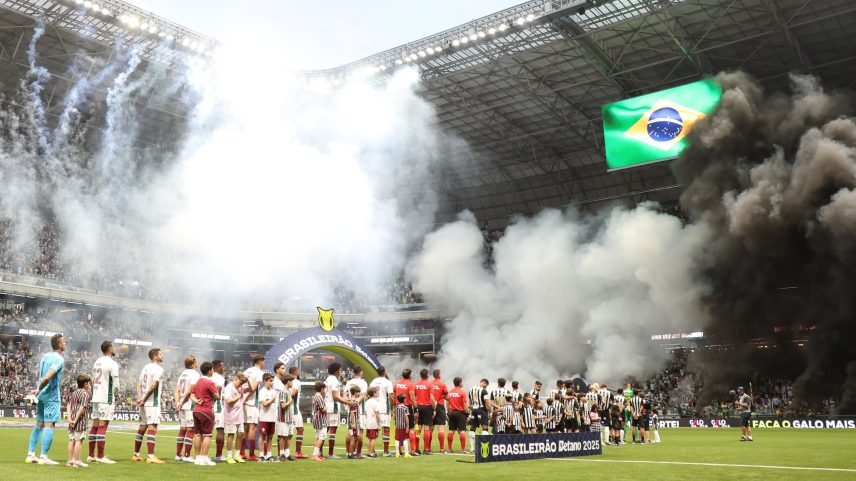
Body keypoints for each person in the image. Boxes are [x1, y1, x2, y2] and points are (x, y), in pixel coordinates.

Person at [26, 333, 65, 465]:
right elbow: (48, 376)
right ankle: (44, 457)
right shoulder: (59, 359)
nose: (65, 344)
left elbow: (41, 375)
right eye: (64, 342)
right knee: (50, 425)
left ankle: (30, 455)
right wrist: (39, 389)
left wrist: (38, 390)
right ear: (59, 344)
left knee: (39, 424)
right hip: (51, 396)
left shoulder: (45, 356)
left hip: (41, 396)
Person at [133, 347, 166, 464]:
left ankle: (136, 455)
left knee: (142, 427)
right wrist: (145, 399)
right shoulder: (158, 369)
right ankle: (151, 456)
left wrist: (139, 398)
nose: (162, 356)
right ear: (155, 356)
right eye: (160, 354)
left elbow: (139, 383)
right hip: (152, 402)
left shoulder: (145, 367)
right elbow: (153, 386)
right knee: (152, 428)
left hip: (143, 401)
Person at [88, 341, 118, 464]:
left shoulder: (97, 362)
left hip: (96, 396)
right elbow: (116, 385)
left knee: (95, 425)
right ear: (110, 349)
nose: (115, 348)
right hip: (106, 397)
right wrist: (116, 395)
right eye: (113, 346)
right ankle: (101, 456)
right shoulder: (112, 363)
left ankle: (91, 455)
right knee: (102, 426)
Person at [190, 361, 219, 466]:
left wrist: (196, 401)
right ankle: (204, 457)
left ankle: (197, 458)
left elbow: (192, 394)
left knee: (197, 434)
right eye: (212, 369)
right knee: (207, 435)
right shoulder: (210, 382)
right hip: (206, 410)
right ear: (209, 371)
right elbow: (217, 396)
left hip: (196, 410)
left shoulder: (198, 381)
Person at [174, 355, 199, 462]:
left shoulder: (182, 374)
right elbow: (189, 391)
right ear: (193, 363)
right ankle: (187, 455)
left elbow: (177, 390)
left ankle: (178, 455)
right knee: (190, 429)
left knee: (182, 429)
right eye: (196, 360)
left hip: (182, 405)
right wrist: (182, 402)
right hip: (189, 405)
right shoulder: (195, 374)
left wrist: (178, 402)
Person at [241, 354, 265, 461]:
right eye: (263, 362)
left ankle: (241, 452)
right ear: (260, 361)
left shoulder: (247, 371)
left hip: (242, 401)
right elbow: (254, 388)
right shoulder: (260, 373)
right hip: (252, 403)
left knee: (245, 428)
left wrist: (242, 399)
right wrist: (246, 398)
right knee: (253, 428)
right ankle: (251, 454)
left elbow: (241, 385)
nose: (264, 364)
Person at [368, 366, 394, 457]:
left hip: (374, 409)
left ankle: (372, 451)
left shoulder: (373, 382)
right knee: (386, 428)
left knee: (374, 430)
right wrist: (392, 408)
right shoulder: (388, 382)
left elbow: (369, 394)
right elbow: (391, 397)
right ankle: (386, 451)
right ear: (385, 372)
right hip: (384, 409)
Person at [66, 374, 91, 468]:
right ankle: (77, 461)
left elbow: (68, 406)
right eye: (88, 383)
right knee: (79, 440)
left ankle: (70, 461)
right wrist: (76, 419)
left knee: (71, 439)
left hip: (71, 418)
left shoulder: (74, 393)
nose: (89, 385)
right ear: (85, 384)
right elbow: (81, 408)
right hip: (80, 420)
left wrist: (69, 419)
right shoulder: (85, 393)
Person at [223, 373, 247, 464]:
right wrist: (238, 397)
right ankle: (229, 456)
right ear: (236, 378)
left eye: (242, 384)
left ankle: (237, 455)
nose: (241, 385)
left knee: (241, 434)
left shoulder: (240, 387)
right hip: (231, 415)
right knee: (231, 435)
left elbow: (251, 389)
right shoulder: (229, 387)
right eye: (240, 382)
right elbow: (228, 401)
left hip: (239, 415)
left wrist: (247, 379)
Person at [344, 366, 368, 458]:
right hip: (359, 410)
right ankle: (357, 453)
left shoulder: (349, 382)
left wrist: (348, 402)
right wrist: (356, 402)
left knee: (349, 431)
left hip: (349, 408)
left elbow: (345, 394)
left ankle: (348, 452)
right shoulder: (363, 383)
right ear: (361, 372)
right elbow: (363, 395)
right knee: (359, 432)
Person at [393, 369, 418, 456]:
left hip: (397, 407)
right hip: (407, 407)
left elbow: (394, 395)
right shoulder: (411, 384)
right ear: (410, 375)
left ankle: (399, 451)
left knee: (399, 428)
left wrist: (394, 407)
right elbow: (412, 397)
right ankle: (412, 450)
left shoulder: (397, 383)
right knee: (411, 428)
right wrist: (415, 409)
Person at [413, 368, 435, 455]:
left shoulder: (416, 384)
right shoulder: (430, 385)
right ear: (428, 375)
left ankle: (416, 449)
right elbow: (432, 398)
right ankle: (426, 449)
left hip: (418, 406)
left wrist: (415, 408)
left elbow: (413, 397)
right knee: (427, 428)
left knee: (418, 428)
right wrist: (434, 408)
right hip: (427, 407)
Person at [257, 373, 278, 462]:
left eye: (272, 381)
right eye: (270, 381)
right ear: (265, 381)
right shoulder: (262, 391)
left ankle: (269, 455)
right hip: (264, 417)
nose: (272, 382)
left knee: (270, 437)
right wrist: (272, 399)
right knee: (262, 436)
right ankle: (261, 455)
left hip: (272, 418)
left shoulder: (273, 391)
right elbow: (265, 404)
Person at [287, 366, 306, 458]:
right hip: (293, 409)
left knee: (288, 431)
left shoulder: (286, 381)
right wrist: (288, 399)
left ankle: (284, 451)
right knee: (300, 429)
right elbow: (293, 393)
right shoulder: (296, 382)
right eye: (298, 371)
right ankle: (297, 452)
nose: (299, 372)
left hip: (286, 408)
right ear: (295, 372)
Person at [446, 377, 469, 454]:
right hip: (460, 413)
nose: (463, 383)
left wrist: (449, 412)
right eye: (462, 382)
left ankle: (449, 449)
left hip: (452, 413)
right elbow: (465, 405)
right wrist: (467, 413)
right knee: (462, 431)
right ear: (459, 383)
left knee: (451, 431)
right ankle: (463, 449)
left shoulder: (450, 392)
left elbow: (447, 404)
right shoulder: (462, 392)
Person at [467, 378, 490, 452]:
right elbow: (487, 402)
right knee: (485, 428)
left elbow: (470, 402)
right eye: (486, 385)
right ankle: (483, 447)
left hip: (473, 409)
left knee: (472, 428)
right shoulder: (484, 390)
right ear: (484, 383)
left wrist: (471, 411)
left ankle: (471, 447)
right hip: (482, 409)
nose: (485, 387)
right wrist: (490, 411)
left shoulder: (471, 389)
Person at [210, 360, 227, 462]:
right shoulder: (219, 378)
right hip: (217, 407)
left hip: (206, 407)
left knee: (206, 432)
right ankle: (218, 455)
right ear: (216, 367)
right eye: (221, 366)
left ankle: (203, 455)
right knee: (220, 430)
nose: (223, 368)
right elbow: (217, 393)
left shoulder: (207, 377)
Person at [431, 369, 449, 453]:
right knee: (441, 427)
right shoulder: (442, 384)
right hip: (440, 406)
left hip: (431, 406)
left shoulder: (430, 383)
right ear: (439, 374)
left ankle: (427, 448)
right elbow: (446, 397)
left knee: (430, 428)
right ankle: (442, 449)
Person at [311, 381, 328, 461]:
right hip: (320, 419)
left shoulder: (315, 396)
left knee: (318, 437)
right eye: (324, 388)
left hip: (316, 419)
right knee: (321, 437)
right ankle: (315, 455)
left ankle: (315, 454)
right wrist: (327, 407)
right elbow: (323, 409)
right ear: (321, 389)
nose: (324, 390)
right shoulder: (319, 396)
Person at [363, 387, 382, 457]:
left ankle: (370, 451)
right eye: (376, 392)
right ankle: (371, 453)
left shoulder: (367, 402)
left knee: (369, 438)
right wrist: (379, 424)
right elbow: (377, 414)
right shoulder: (376, 402)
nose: (378, 393)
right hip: (373, 422)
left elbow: (365, 412)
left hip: (367, 422)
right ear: (374, 394)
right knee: (373, 438)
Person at [346, 384, 363, 459]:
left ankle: (352, 453)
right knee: (354, 437)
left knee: (355, 437)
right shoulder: (354, 402)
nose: (359, 393)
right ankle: (351, 453)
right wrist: (353, 423)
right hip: (354, 422)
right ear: (354, 393)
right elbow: (352, 412)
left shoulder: (352, 401)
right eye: (358, 392)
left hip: (356, 421)